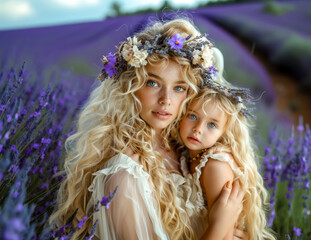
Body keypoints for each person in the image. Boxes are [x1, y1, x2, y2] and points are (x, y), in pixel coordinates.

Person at [49, 18, 247, 239]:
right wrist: (220, 226)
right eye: (152, 83)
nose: (166, 100)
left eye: (179, 87)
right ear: (130, 86)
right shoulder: (125, 177)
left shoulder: (189, 152)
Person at [172, 81, 276, 240]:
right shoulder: (187, 155)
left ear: (223, 134)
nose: (198, 128)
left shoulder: (215, 166)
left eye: (212, 124)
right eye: (193, 116)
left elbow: (226, 234)